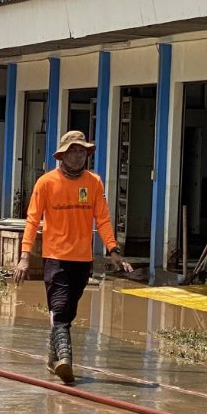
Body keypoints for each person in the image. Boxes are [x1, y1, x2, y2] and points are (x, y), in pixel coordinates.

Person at [13, 130, 132, 383]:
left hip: (82, 260)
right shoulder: (46, 183)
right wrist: (25, 256)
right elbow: (32, 220)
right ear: (62, 155)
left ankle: (52, 357)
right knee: (59, 308)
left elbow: (102, 219)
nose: (78, 156)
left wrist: (113, 250)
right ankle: (66, 361)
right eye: (72, 151)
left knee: (68, 311)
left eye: (82, 151)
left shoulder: (94, 183)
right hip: (55, 257)